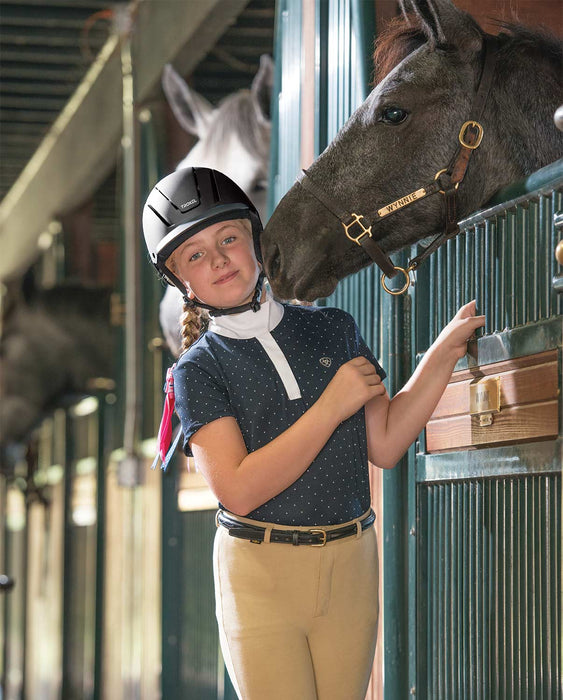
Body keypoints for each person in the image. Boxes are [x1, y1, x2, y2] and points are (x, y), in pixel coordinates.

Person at [143, 166, 485, 700]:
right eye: (195, 254)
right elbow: (237, 488)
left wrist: (441, 353)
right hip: (260, 575)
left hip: (351, 562)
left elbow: (388, 442)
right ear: (180, 280)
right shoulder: (197, 370)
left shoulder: (333, 328)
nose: (218, 259)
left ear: (254, 241)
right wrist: (329, 408)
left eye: (228, 238)